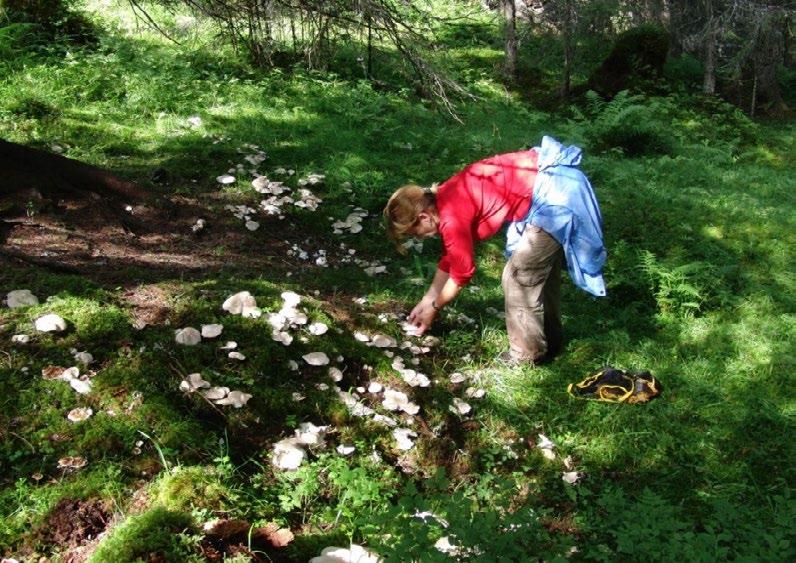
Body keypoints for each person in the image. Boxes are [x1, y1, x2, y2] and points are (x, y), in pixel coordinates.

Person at [383, 136, 607, 365]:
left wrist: (434, 308)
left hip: (556, 195)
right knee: (539, 275)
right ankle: (552, 342)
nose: (420, 237)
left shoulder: (451, 216)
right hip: (556, 183)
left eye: (416, 232)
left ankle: (525, 356)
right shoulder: (446, 197)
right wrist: (427, 299)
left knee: (519, 277)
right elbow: (452, 257)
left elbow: (462, 273)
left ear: (423, 216)